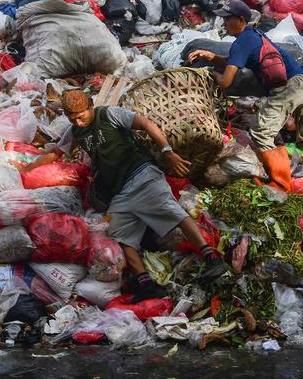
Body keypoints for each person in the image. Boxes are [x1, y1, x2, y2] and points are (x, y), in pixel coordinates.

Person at [24, 90, 229, 301]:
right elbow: (55, 153)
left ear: (91, 106)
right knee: (118, 235)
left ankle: (211, 257)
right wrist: (26, 170)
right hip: (120, 192)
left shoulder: (109, 115)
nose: (78, 121)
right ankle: (146, 283)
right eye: (72, 118)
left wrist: (167, 150)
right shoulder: (75, 132)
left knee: (172, 211)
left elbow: (146, 123)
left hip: (143, 175)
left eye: (81, 116)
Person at [188, 0, 303, 188]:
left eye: (227, 19)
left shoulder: (241, 42)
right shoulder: (255, 35)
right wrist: (210, 56)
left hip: (292, 87)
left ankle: (281, 186)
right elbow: (232, 62)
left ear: (241, 20)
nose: (224, 24)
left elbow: (225, 82)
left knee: (262, 134)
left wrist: (209, 73)